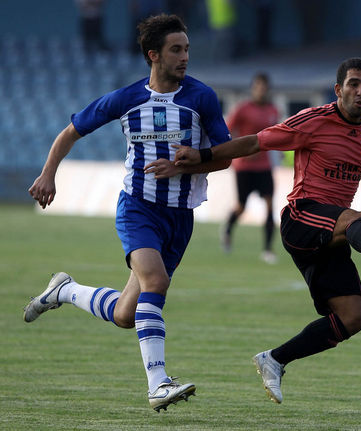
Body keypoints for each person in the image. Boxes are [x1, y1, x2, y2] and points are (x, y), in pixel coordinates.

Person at [171, 57, 361, 404]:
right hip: (302, 218)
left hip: (332, 234)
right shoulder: (314, 121)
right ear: (338, 89)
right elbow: (256, 142)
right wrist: (203, 154)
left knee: (353, 317)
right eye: (354, 84)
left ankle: (275, 359)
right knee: (357, 217)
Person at [24, 14, 231, 412]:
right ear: (154, 55)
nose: (185, 56)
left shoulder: (201, 98)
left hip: (179, 216)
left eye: (187, 48)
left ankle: (63, 290)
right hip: (137, 207)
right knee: (155, 280)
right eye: (176, 49)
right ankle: (158, 384)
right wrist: (48, 173)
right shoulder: (126, 98)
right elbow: (71, 132)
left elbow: (223, 157)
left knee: (125, 313)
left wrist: (187, 164)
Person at [222, 72, 279, 263]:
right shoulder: (242, 109)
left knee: (270, 205)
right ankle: (228, 229)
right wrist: (243, 150)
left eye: (264, 86)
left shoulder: (273, 110)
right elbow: (226, 131)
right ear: (253, 88)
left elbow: (276, 135)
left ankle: (268, 250)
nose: (261, 90)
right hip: (244, 166)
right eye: (258, 86)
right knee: (241, 206)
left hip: (264, 166)